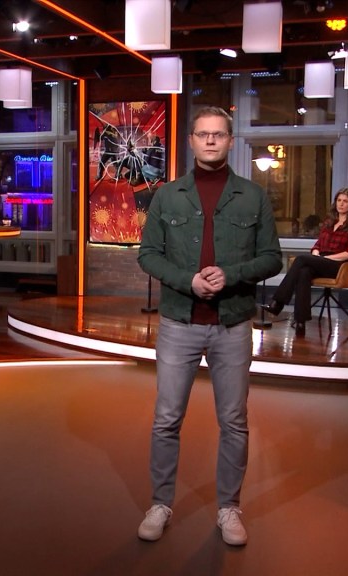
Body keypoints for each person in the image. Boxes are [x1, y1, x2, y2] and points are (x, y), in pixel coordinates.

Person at [136, 106, 282, 546]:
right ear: (192, 141)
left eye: (219, 134)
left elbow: (272, 258)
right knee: (166, 419)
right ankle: (160, 504)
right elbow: (148, 254)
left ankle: (229, 508)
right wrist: (189, 281)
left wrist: (231, 275)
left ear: (230, 141)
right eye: (203, 134)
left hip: (232, 324)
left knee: (234, 420)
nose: (211, 140)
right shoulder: (168, 196)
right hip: (179, 323)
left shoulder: (253, 196)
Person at [262, 188, 348, 336]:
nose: (341, 204)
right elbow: (317, 245)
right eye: (339, 200)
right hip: (321, 261)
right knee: (304, 272)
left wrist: (325, 258)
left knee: (301, 259)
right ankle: (300, 322)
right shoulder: (329, 222)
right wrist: (316, 253)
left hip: (339, 265)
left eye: (345, 201)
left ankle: (278, 302)